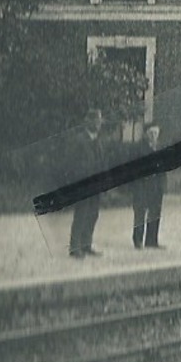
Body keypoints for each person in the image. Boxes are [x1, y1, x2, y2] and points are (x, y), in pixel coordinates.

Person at [65, 108, 108, 258]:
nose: (98, 124)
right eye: (95, 120)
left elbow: (102, 163)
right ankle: (74, 247)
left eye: (99, 121)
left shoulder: (98, 141)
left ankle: (86, 245)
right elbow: (72, 164)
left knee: (93, 214)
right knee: (81, 214)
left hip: (96, 185)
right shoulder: (79, 140)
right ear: (88, 121)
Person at [130, 121, 166, 249]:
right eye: (151, 133)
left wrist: (162, 185)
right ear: (145, 134)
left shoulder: (160, 148)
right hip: (142, 187)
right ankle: (138, 240)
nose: (153, 135)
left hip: (156, 187)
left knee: (155, 213)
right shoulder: (139, 148)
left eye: (156, 133)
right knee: (140, 214)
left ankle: (151, 241)